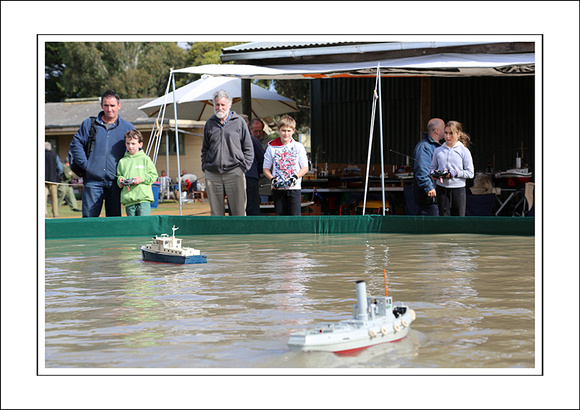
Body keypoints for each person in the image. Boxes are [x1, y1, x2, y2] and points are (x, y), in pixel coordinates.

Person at [69, 90, 135, 217]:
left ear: (119, 106)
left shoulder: (127, 127)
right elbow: (75, 144)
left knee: (114, 222)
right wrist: (86, 165)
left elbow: (137, 151)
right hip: (93, 181)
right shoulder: (89, 124)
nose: (109, 109)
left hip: (116, 183)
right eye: (106, 105)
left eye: (112, 105)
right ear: (101, 105)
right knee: (89, 220)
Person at [201, 89, 254, 216]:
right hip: (212, 174)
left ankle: (239, 235)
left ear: (229, 105)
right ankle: (218, 236)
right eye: (217, 104)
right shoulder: (209, 123)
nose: (220, 108)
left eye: (222, 105)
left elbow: (248, 148)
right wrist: (205, 167)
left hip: (234, 172)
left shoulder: (239, 122)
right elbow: (205, 149)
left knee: (239, 212)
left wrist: (243, 168)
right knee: (216, 213)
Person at [263, 115, 309, 216]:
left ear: (293, 131)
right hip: (278, 189)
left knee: (295, 217)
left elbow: (305, 167)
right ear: (278, 130)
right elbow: (265, 169)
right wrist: (272, 179)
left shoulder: (298, 146)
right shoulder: (271, 147)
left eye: (289, 131)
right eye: (283, 130)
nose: (286, 134)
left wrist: (295, 177)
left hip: (294, 188)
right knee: (280, 218)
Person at [430, 120, 474, 216]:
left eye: (451, 133)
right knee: (443, 218)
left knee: (458, 218)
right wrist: (434, 174)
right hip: (442, 189)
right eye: (446, 133)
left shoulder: (464, 151)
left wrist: (455, 173)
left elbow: (470, 173)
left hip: (458, 190)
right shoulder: (438, 151)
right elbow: (432, 168)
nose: (447, 136)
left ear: (458, 134)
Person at [116, 130, 158, 216]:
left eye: (133, 143)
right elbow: (119, 175)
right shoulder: (122, 161)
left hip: (143, 200)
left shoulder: (145, 159)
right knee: (132, 226)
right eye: (128, 143)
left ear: (140, 144)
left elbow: (153, 175)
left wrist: (141, 179)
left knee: (143, 225)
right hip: (129, 201)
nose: (130, 146)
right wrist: (120, 180)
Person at [412, 118, 445, 215]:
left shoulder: (438, 147)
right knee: (431, 226)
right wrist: (429, 187)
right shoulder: (424, 147)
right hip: (429, 197)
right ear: (437, 130)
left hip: (437, 196)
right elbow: (421, 169)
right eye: (444, 128)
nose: (446, 131)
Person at [242, 116, 265, 216]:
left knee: (236, 208)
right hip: (250, 176)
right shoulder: (253, 140)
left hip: (242, 177)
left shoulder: (252, 140)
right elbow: (262, 160)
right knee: (252, 208)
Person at [250, 118, 272, 204]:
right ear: (250, 129)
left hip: (264, 183)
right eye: (255, 131)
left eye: (260, 131)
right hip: (250, 182)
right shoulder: (246, 141)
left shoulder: (269, 143)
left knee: (263, 209)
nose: (258, 134)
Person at [45, 142, 62, 218]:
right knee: (54, 198)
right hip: (53, 179)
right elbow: (60, 168)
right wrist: (58, 176)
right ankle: (55, 214)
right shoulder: (55, 155)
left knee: (43, 197)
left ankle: (44, 213)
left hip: (43, 179)